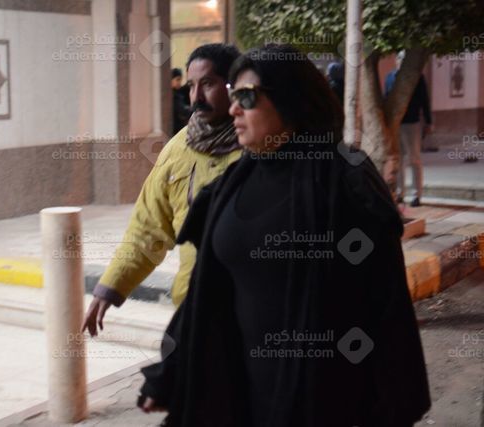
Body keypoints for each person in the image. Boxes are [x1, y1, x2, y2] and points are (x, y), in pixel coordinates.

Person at [139, 44, 430, 426]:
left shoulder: (344, 181)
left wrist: (394, 405)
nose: (234, 109)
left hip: (323, 401)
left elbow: (385, 303)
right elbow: (208, 294)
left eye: (246, 97)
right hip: (238, 397)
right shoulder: (231, 184)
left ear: (290, 100)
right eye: (232, 95)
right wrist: (172, 372)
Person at [81, 44, 242, 336]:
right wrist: (111, 287)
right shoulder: (177, 150)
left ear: (234, 86)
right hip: (193, 311)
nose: (196, 97)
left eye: (208, 84)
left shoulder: (260, 147)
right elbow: (148, 229)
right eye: (191, 86)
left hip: (251, 315)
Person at [385, 51, 433, 207]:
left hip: (411, 122)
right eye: (399, 58)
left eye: (404, 58)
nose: (401, 61)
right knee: (398, 159)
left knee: (414, 158)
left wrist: (428, 121)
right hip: (395, 123)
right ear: (396, 60)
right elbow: (386, 97)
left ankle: (416, 194)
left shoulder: (417, 77)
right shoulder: (390, 77)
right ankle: (400, 193)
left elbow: (425, 100)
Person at [172, 68, 191, 133]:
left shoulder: (179, 92)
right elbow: (183, 110)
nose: (180, 82)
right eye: (177, 79)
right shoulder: (173, 96)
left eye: (180, 79)